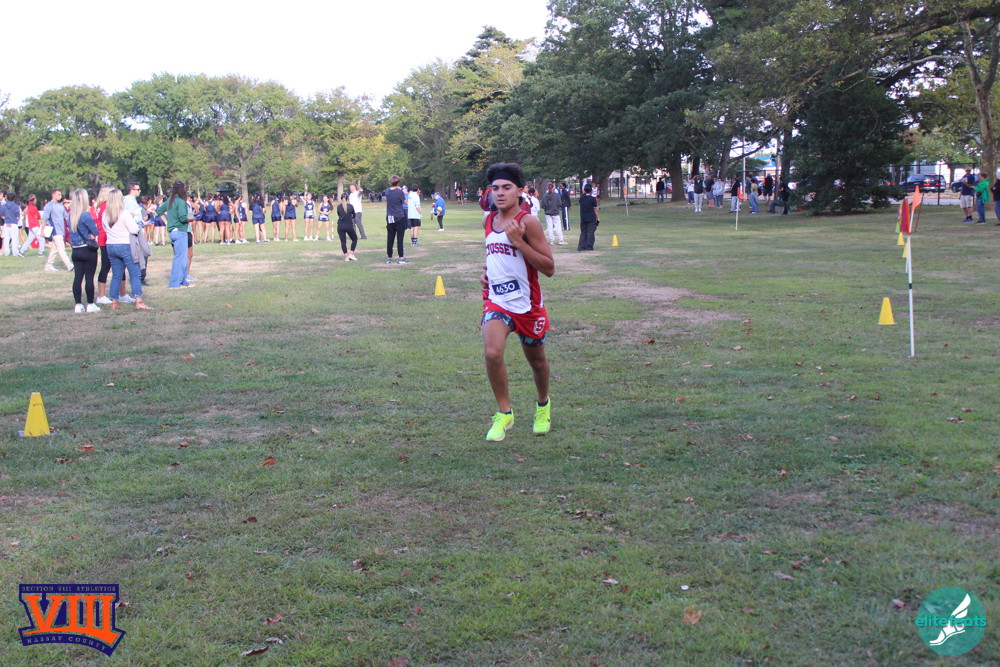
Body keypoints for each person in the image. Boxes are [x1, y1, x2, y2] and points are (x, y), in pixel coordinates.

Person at [480, 162, 555, 441]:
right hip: (497, 301)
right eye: (495, 188)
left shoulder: (528, 222)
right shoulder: (488, 220)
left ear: (519, 191)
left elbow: (549, 268)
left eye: (506, 188)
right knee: (492, 353)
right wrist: (487, 274)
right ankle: (504, 412)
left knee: (537, 362)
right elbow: (496, 255)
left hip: (527, 305)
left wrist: (520, 242)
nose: (500, 193)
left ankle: (543, 405)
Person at [104, 189, 152, 310]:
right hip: (125, 245)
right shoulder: (124, 213)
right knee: (134, 273)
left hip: (111, 245)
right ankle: (139, 300)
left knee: (116, 274)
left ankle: (113, 301)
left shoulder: (105, 214)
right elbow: (134, 229)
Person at [67, 189, 101, 313]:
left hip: (75, 250)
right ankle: (90, 304)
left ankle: (78, 304)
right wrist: (90, 234)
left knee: (77, 278)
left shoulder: (70, 216)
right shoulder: (85, 215)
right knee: (89, 278)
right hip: (87, 249)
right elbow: (95, 231)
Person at [157, 180, 193, 289]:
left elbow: (160, 211)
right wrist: (191, 218)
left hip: (173, 231)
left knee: (182, 258)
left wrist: (167, 222)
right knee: (180, 259)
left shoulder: (170, 200)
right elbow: (182, 218)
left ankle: (183, 282)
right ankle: (175, 283)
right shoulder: (181, 202)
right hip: (180, 231)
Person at [42, 189, 73, 272]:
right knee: (61, 249)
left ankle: (49, 265)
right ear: (53, 195)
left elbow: (66, 216)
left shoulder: (61, 206)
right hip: (55, 230)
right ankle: (69, 264)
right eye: (58, 194)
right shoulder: (49, 206)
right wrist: (42, 231)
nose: (60, 196)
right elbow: (44, 219)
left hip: (62, 230)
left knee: (55, 249)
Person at [384, 176, 408, 264]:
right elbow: (405, 202)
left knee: (390, 237)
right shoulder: (399, 192)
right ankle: (401, 257)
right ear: (398, 182)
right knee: (400, 237)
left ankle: (389, 257)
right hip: (399, 216)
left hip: (390, 216)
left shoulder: (387, 191)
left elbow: (386, 199)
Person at [577, 183, 600, 251]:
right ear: (591, 191)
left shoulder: (582, 199)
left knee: (583, 232)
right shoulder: (592, 199)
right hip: (591, 218)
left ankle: (581, 246)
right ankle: (589, 246)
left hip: (583, 218)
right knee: (590, 232)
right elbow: (595, 210)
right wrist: (598, 218)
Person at [336, 193, 358, 261]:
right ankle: (351, 253)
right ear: (348, 199)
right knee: (354, 239)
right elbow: (354, 215)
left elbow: (339, 214)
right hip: (348, 225)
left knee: (343, 242)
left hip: (340, 225)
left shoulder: (339, 207)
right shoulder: (350, 206)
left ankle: (346, 256)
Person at [1, 192, 22, 256]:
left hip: (6, 223)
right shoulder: (16, 206)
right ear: (14, 198)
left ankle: (6, 252)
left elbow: (2, 215)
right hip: (13, 223)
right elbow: (18, 217)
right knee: (14, 238)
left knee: (6, 238)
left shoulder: (4, 206)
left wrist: (7, 219)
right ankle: (15, 252)